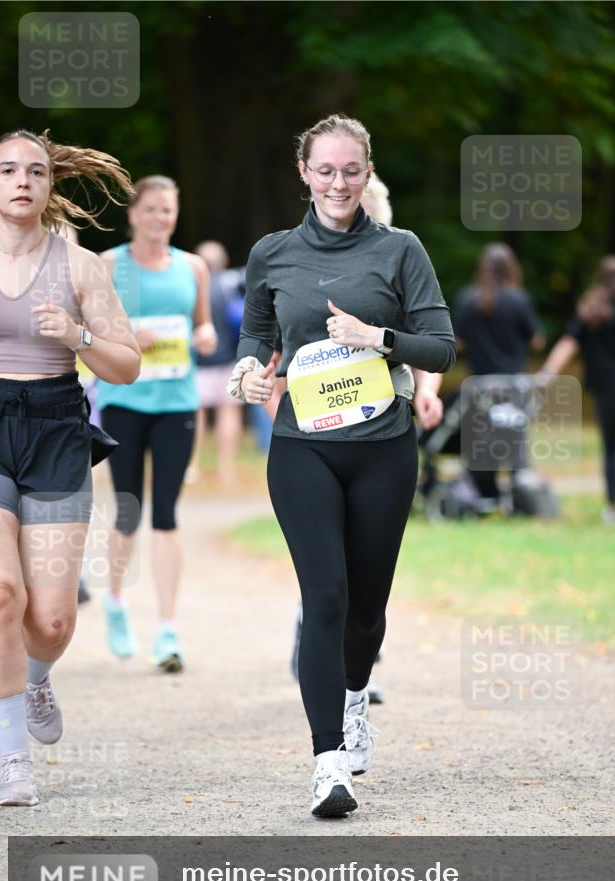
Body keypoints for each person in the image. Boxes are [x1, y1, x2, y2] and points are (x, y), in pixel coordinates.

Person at [229, 114, 455, 817]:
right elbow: (254, 337)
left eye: (349, 170)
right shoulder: (272, 252)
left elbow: (441, 348)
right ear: (304, 172)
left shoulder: (400, 249)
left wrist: (376, 337)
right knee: (323, 597)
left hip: (383, 450)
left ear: (366, 173)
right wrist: (246, 377)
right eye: (324, 169)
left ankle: (356, 698)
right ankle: (328, 763)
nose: (336, 182)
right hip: (302, 447)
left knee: (365, 609)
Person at [0, 128, 140, 807]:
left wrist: (77, 337)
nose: (22, 180)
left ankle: (38, 676)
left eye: (37, 171)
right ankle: (13, 761)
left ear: (51, 188)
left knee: (49, 620)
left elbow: (127, 366)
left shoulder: (80, 268)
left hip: (55, 429)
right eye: (8, 169)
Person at [97, 176, 217, 672]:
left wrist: (206, 335)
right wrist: (128, 334)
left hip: (177, 403)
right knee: (128, 510)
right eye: (150, 209)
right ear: (133, 214)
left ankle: (168, 631)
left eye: (167, 210)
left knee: (166, 514)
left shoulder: (194, 267)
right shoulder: (109, 264)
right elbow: (93, 330)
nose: (159, 218)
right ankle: (116, 600)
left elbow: (203, 322)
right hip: (125, 399)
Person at [541, 256, 615, 524]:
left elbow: (568, 343)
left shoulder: (591, 310)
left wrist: (547, 372)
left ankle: (613, 508)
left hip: (604, 390)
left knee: (611, 448)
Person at [453, 243, 545, 501]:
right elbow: (536, 340)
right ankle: (519, 489)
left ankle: (484, 489)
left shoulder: (468, 298)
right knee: (512, 435)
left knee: (482, 437)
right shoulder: (518, 299)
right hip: (513, 385)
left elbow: (458, 343)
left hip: (479, 385)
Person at [186, 241, 245, 487]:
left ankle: (192, 466)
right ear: (224, 261)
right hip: (229, 360)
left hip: (198, 363)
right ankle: (227, 469)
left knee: (195, 416)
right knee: (229, 412)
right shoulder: (232, 284)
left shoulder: (191, 287)